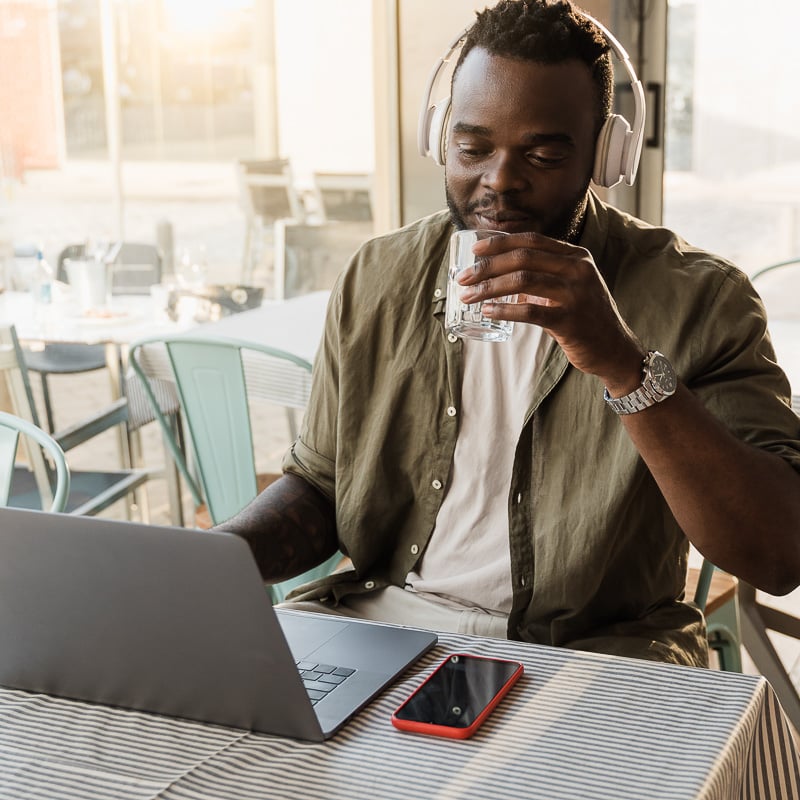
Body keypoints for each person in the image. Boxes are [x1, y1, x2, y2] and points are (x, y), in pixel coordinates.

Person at [218, 0, 800, 666]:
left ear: (605, 155)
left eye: (545, 155)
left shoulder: (702, 299)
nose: (499, 181)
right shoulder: (377, 276)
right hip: (381, 622)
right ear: (439, 137)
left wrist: (623, 365)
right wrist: (220, 556)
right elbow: (319, 485)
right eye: (473, 148)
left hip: (593, 651)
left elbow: (778, 554)